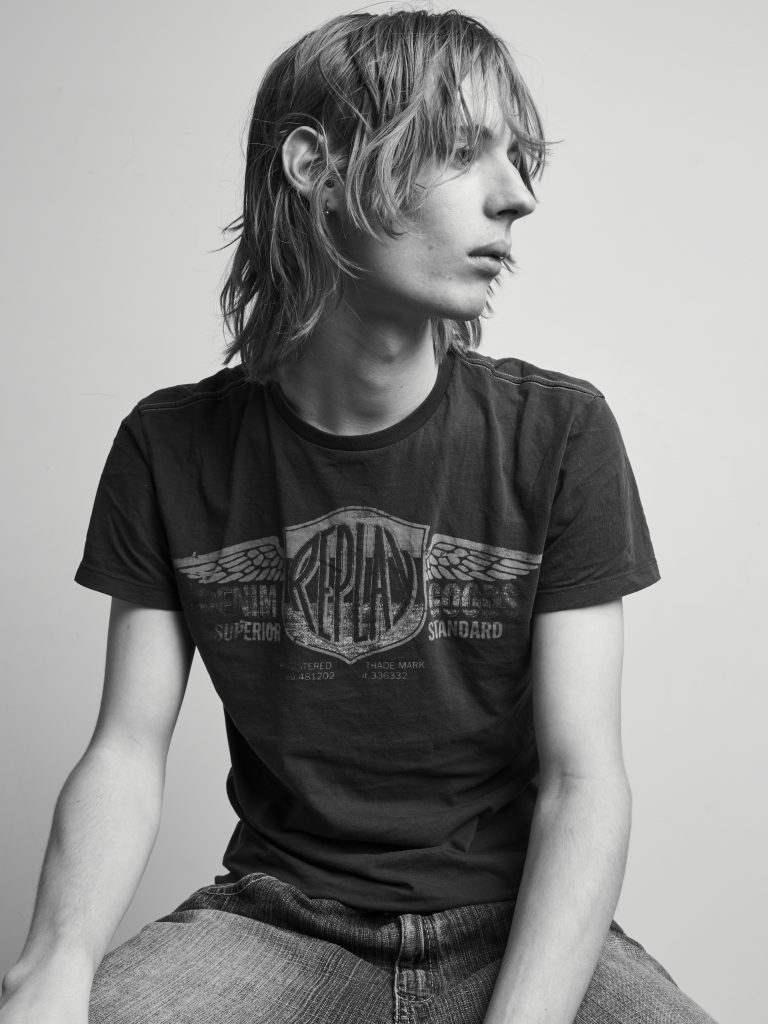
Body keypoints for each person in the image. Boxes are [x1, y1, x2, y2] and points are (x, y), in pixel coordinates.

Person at [0, 8, 717, 1024]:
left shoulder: (559, 433)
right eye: (462, 150)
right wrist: (54, 961)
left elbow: (582, 780)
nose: (517, 195)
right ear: (316, 167)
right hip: (279, 922)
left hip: (513, 921)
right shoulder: (169, 447)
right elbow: (125, 749)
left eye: (516, 158)